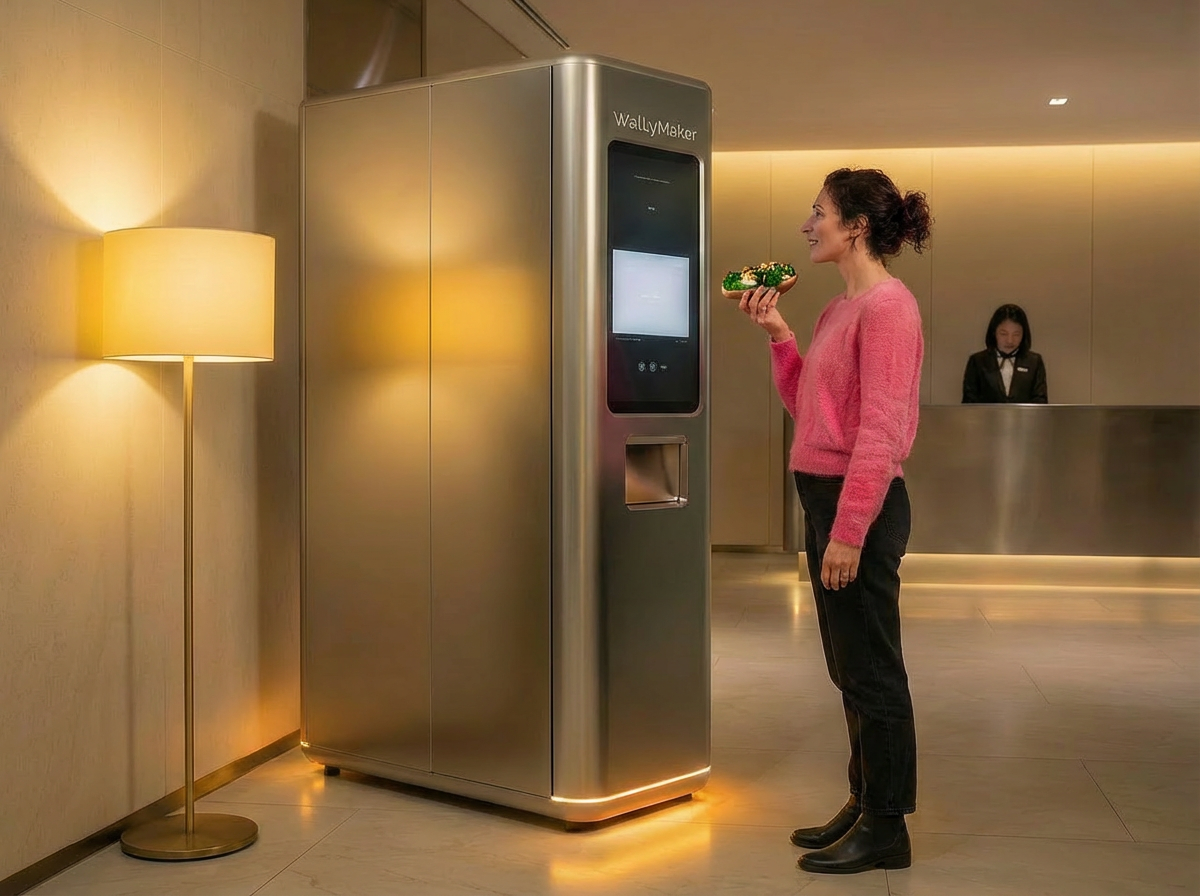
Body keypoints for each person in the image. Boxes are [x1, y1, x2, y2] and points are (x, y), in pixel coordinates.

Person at [738, 168, 931, 875]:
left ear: (856, 226)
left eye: (817, 212)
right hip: (826, 496)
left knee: (873, 670)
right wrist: (779, 335)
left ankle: (887, 826)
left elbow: (881, 431)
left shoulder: (889, 308)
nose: (806, 225)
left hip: (861, 507)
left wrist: (850, 531)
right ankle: (864, 799)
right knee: (848, 665)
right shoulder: (835, 311)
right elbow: (811, 411)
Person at [961, 304, 1048, 403]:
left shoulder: (1034, 362)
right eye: (1003, 334)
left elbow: (1040, 401)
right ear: (994, 332)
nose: (1010, 340)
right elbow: (969, 401)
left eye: (1016, 334)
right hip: (987, 414)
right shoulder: (978, 361)